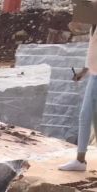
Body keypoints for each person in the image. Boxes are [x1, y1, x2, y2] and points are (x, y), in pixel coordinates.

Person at [59, 25, 97, 173]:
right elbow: (93, 51)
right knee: (85, 116)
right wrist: (83, 71)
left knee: (88, 117)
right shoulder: (93, 25)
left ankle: (80, 160)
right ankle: (80, 160)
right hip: (93, 76)